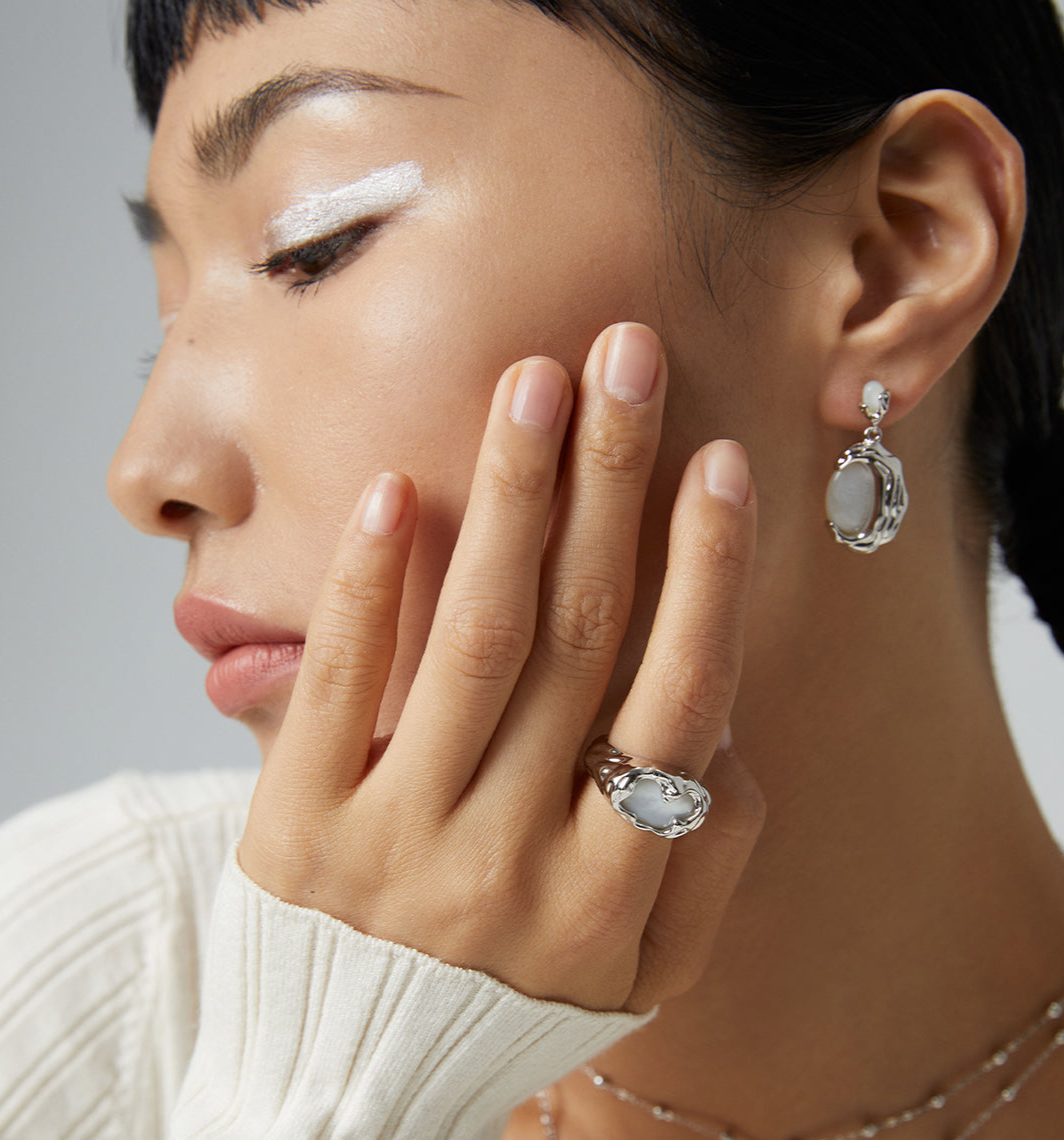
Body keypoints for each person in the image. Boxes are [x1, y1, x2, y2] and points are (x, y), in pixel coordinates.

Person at [2, 0, 1063, 1136]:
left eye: (311, 247)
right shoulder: (78, 979)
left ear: (895, 255)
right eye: (166, 318)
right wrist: (342, 1078)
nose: (148, 469)